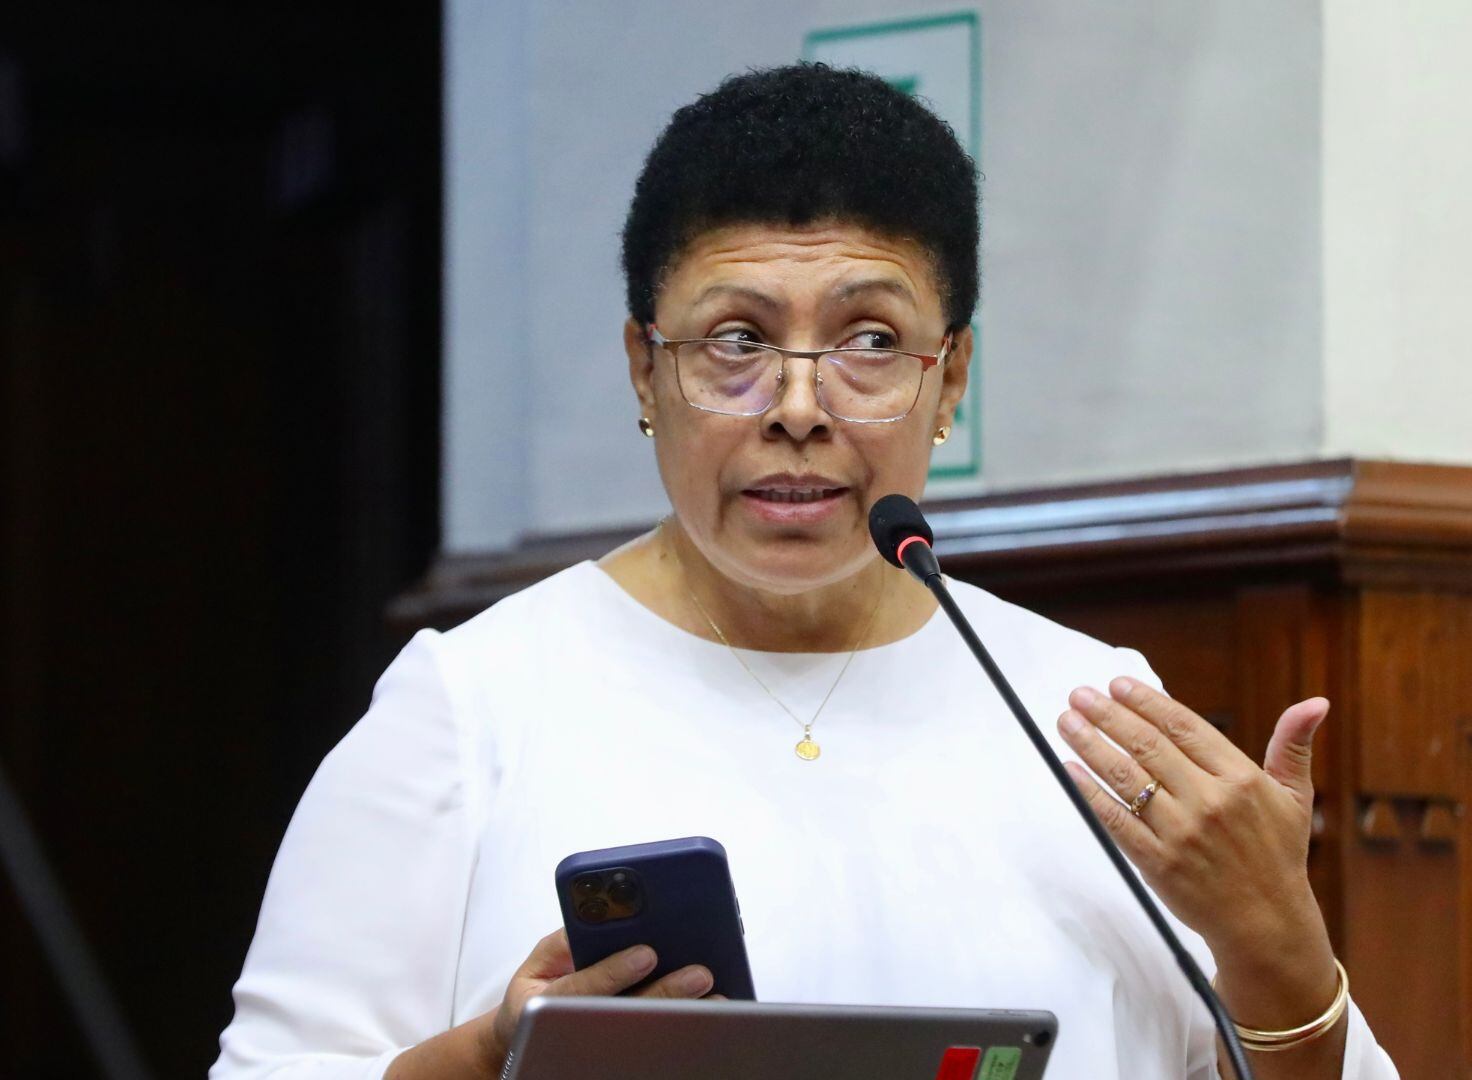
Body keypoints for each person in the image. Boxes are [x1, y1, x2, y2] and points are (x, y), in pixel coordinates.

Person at [210, 64, 1398, 1080]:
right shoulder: (469, 711)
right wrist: (486, 1061)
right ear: (644, 368)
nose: (797, 407)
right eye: (736, 341)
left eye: (870, 341)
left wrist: (1277, 941)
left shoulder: (1092, 714)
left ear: (953, 378)